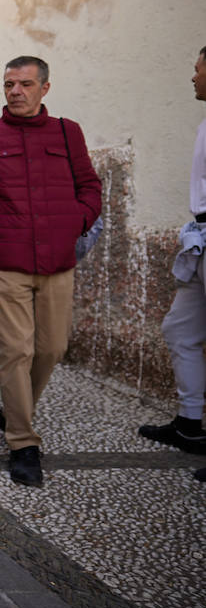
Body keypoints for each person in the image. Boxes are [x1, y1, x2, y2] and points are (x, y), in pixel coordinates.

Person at [0, 55, 101, 487]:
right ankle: (23, 442)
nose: (16, 91)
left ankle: (13, 408)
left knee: (52, 348)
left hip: (57, 263)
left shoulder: (67, 132)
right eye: (9, 84)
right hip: (5, 265)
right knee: (16, 351)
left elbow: (89, 186)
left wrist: (77, 220)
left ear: (44, 88)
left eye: (25, 84)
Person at [139, 47, 206, 463]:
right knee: (180, 329)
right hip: (200, 238)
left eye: (197, 69)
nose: (193, 77)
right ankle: (189, 422)